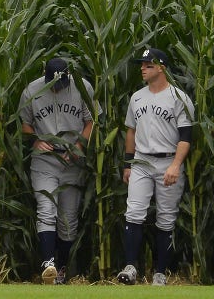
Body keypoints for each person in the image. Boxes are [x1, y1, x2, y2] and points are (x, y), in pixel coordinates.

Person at [117, 48, 194, 286]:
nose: (142, 68)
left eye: (148, 65)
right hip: (141, 160)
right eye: (142, 64)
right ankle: (130, 268)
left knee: (166, 219)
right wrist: (129, 163)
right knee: (134, 212)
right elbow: (131, 131)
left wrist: (176, 165)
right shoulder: (137, 97)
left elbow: (186, 136)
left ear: (161, 67)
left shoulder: (178, 97)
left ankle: (160, 273)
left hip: (168, 161)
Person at [19, 58, 99, 284]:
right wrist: (35, 140)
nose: (56, 88)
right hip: (45, 159)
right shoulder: (32, 91)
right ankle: (48, 264)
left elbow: (91, 120)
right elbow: (25, 123)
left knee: (68, 220)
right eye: (51, 83)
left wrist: (79, 146)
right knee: (46, 208)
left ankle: (61, 270)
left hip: (72, 159)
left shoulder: (82, 87)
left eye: (60, 83)